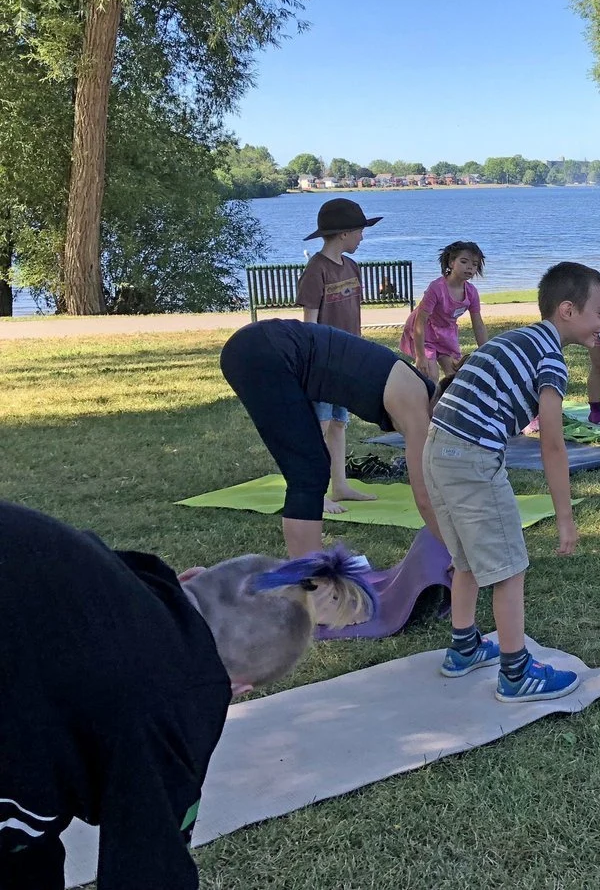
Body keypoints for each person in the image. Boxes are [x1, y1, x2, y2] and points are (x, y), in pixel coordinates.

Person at [0, 500, 374, 889]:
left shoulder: (95, 565)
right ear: (236, 689)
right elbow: (150, 873)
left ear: (187, 578)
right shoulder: (170, 711)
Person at [423, 261, 600, 701]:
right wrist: (565, 519)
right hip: (471, 458)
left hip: (438, 448)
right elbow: (552, 445)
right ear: (568, 310)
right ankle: (515, 673)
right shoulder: (550, 358)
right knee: (510, 569)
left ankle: (465, 647)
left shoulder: (519, 338)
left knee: (467, 557)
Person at [219, 319, 440, 558]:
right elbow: (425, 497)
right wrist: (458, 554)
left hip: (262, 345)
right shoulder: (418, 408)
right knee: (308, 473)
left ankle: (310, 574)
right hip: (263, 351)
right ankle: (310, 579)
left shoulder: (416, 389)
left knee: (311, 469)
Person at [298, 197, 383, 515]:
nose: (362, 237)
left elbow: (354, 316)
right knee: (318, 427)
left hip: (347, 359)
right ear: (345, 233)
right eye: (360, 231)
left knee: (338, 424)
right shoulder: (316, 269)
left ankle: (340, 484)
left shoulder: (352, 267)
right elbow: (310, 320)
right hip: (323, 361)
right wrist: (315, 361)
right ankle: (314, 492)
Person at [400, 240, 490, 381]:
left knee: (456, 376)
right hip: (424, 333)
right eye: (464, 262)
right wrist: (421, 356)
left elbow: (478, 324)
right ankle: (428, 401)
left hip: (446, 333)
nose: (470, 268)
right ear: (451, 263)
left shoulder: (472, 292)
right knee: (431, 376)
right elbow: (420, 321)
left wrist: (487, 353)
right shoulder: (436, 288)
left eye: (474, 264)